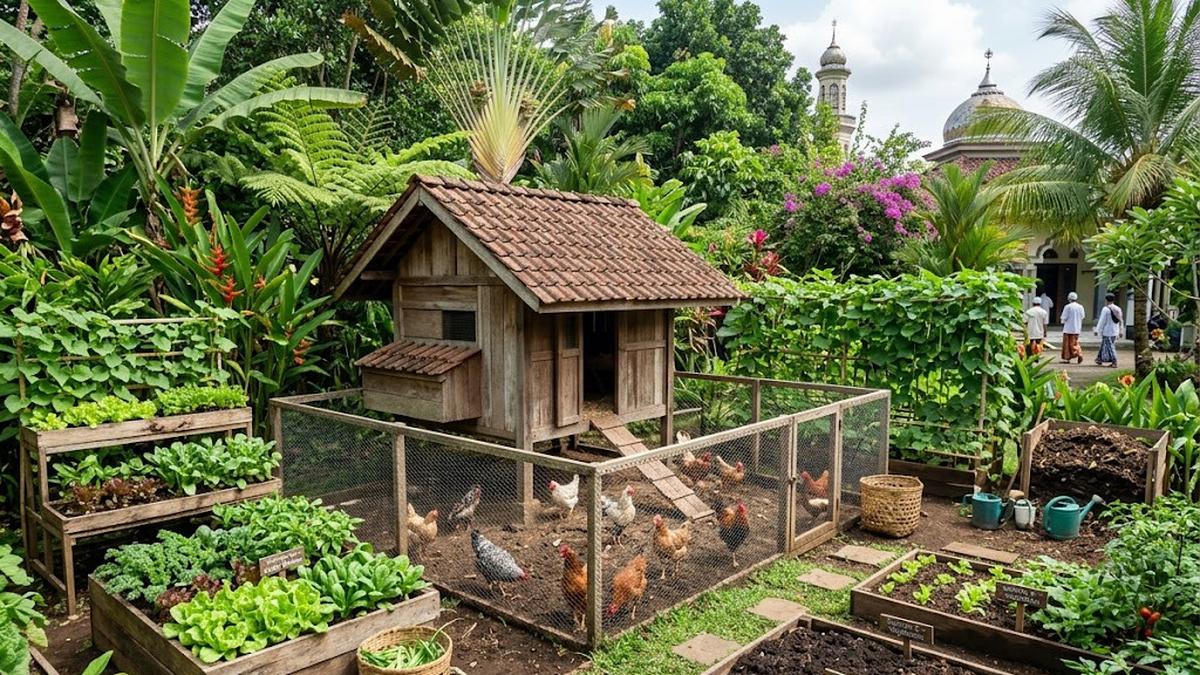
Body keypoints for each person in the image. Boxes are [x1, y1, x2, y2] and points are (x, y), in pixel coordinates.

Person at [1094, 293, 1123, 367]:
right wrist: (1121, 330)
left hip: (1107, 331)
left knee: (1110, 347)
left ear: (1106, 300)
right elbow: (1121, 320)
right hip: (1115, 331)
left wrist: (1097, 330)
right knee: (1104, 345)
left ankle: (1114, 361)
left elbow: (1102, 321)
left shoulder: (1106, 309)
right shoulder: (1118, 309)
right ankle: (1099, 359)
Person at [1060, 291, 1085, 364]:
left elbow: (1064, 317)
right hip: (1077, 328)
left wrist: (1062, 321)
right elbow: (1082, 316)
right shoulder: (1080, 307)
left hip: (1068, 328)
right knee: (1075, 343)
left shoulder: (1067, 307)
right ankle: (1079, 353)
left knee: (1067, 344)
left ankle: (1067, 358)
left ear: (1069, 298)